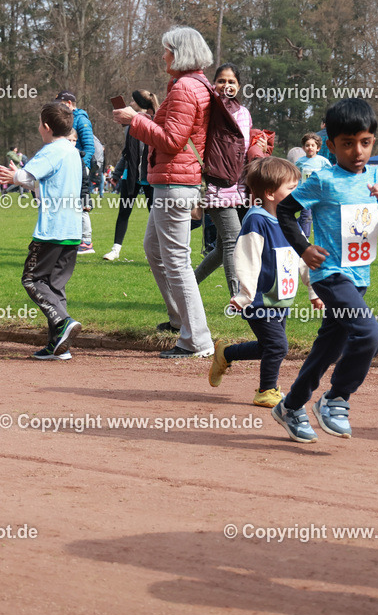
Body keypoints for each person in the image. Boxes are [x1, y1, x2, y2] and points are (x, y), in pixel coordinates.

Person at [271, 98, 378, 443]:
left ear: (373, 140)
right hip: (330, 275)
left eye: (364, 142)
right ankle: (335, 399)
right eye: (347, 143)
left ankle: (290, 406)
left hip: (359, 278)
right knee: (369, 335)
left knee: (328, 349)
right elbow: (285, 211)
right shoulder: (323, 179)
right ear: (330, 146)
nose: (357, 151)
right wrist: (304, 248)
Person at [112, 25, 216, 359]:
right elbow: (174, 132)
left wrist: (135, 122)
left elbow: (172, 141)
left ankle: (195, 340)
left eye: (167, 49)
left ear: (181, 52)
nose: (163, 55)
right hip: (172, 181)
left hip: (175, 183)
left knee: (176, 261)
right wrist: (141, 119)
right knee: (153, 248)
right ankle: (179, 319)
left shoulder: (186, 87)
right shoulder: (191, 84)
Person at [208, 157, 323, 407]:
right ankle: (266, 391)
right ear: (270, 193)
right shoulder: (256, 220)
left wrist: (313, 290)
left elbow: (303, 257)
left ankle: (225, 353)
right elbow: (246, 259)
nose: (298, 192)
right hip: (258, 300)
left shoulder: (290, 221)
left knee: (267, 347)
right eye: (292, 188)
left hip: (282, 299)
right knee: (278, 345)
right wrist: (245, 296)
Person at [0, 101, 84, 360]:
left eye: (38, 124)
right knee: (55, 287)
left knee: (32, 280)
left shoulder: (51, 150)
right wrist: (21, 177)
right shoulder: (71, 151)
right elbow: (42, 183)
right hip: (72, 230)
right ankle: (59, 346)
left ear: (46, 127)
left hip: (52, 230)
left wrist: (14, 177)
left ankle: (64, 322)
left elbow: (27, 176)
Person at [194, 63, 252, 297]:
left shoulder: (243, 113)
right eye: (221, 81)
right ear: (213, 83)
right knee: (233, 240)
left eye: (231, 82)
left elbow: (245, 150)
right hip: (214, 184)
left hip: (238, 187)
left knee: (221, 248)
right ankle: (237, 298)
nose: (226, 85)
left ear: (238, 86)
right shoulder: (207, 110)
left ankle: (186, 288)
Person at [103, 90, 158, 261]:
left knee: (154, 215)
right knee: (124, 212)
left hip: (150, 176)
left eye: (133, 101)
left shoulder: (155, 122)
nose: (130, 103)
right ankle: (115, 249)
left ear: (139, 104)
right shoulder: (129, 126)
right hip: (130, 175)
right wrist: (117, 174)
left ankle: (158, 252)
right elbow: (127, 153)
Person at [55, 91, 96, 254]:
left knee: (81, 205)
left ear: (69, 103)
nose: (58, 106)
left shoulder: (81, 119)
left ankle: (86, 242)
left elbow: (89, 146)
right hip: (67, 166)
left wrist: (81, 167)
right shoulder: (66, 119)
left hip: (78, 167)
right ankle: (71, 238)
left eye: (60, 103)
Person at [295, 133, 332, 235]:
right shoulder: (300, 162)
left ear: (318, 148)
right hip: (305, 194)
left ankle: (321, 233)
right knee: (306, 216)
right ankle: (305, 236)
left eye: (313, 145)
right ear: (303, 148)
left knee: (318, 216)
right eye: (307, 145)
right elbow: (296, 176)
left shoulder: (323, 161)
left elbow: (329, 174)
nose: (310, 147)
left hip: (319, 194)